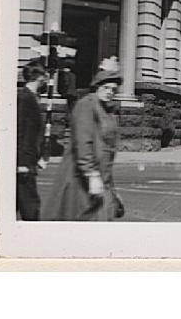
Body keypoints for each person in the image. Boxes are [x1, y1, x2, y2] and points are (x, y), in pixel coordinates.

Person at [42, 58, 124, 221]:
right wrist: (91, 174)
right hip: (81, 179)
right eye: (106, 87)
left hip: (101, 179)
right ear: (97, 87)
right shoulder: (86, 105)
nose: (110, 92)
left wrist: (112, 188)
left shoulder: (107, 111)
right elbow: (83, 142)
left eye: (113, 90)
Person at [17, 59, 48, 220]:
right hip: (24, 163)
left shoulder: (33, 98)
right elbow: (20, 131)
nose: (46, 78)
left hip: (29, 160)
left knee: (19, 203)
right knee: (30, 206)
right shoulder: (24, 98)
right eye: (44, 74)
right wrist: (21, 163)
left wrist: (39, 157)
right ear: (38, 76)